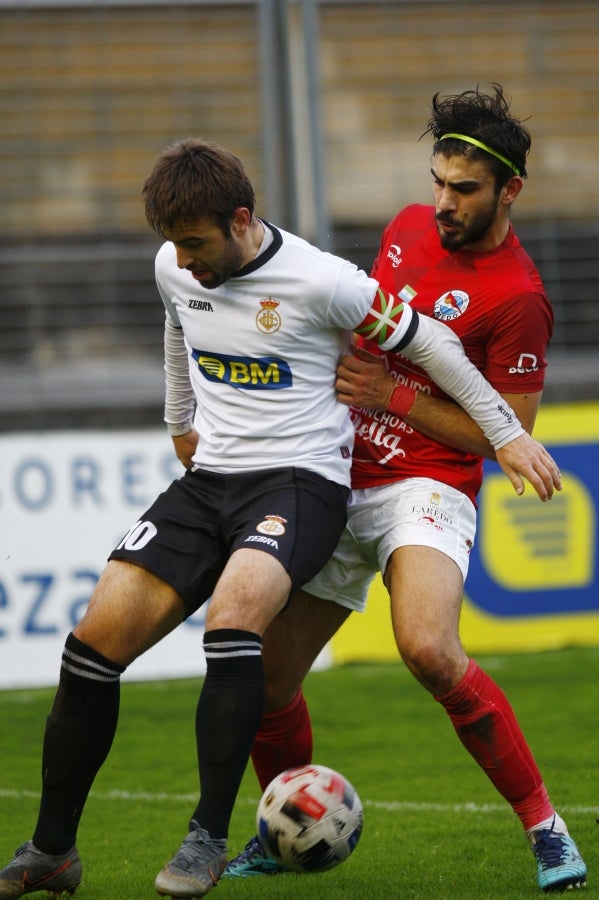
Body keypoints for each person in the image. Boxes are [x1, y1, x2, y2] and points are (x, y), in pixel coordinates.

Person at [0, 137, 561, 900]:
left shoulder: (324, 280)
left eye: (196, 245)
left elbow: (425, 341)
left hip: (311, 482)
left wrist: (505, 435)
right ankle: (52, 850)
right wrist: (178, 422)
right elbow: (177, 322)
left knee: (287, 632)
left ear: (239, 220)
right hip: (216, 481)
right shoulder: (179, 264)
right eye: (174, 248)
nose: (185, 262)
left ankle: (207, 838)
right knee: (92, 646)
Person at [224, 86, 588, 893]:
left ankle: (546, 829)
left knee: (426, 648)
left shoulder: (519, 298)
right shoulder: (403, 228)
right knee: (263, 678)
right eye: (437, 182)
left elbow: (506, 435)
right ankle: (293, 821)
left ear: (508, 190)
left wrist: (393, 399)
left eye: (463, 190)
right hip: (334, 472)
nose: (442, 204)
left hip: (425, 486)